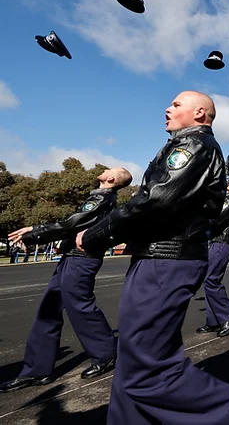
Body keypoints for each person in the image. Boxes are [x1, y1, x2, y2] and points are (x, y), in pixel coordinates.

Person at [75, 91, 229, 425]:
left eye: (176, 104)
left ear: (199, 113)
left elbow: (155, 200)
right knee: (132, 363)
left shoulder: (193, 146)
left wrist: (97, 235)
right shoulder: (185, 146)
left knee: (147, 366)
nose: (168, 108)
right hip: (158, 256)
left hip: (167, 259)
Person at [0, 167, 132, 393]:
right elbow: (73, 225)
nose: (103, 170)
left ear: (111, 179)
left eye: (108, 170)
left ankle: (106, 354)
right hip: (72, 258)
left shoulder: (102, 198)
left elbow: (71, 223)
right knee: (48, 311)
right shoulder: (98, 197)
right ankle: (37, 371)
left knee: (81, 308)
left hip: (82, 259)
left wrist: (34, 231)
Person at [197, 176, 229, 337]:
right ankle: (213, 321)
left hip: (222, 243)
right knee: (209, 280)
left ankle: (228, 317)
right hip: (219, 242)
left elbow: (215, 221)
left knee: (212, 279)